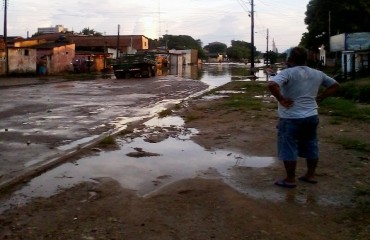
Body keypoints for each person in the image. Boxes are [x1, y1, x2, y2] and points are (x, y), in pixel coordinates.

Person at [267, 46, 339, 188]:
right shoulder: (317, 73)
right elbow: (335, 85)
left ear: (290, 59)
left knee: (288, 146)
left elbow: (272, 84)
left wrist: (281, 99)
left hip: (290, 117)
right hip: (311, 115)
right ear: (306, 59)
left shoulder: (287, 73)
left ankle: (290, 179)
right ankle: (310, 175)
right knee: (311, 144)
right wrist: (321, 97)